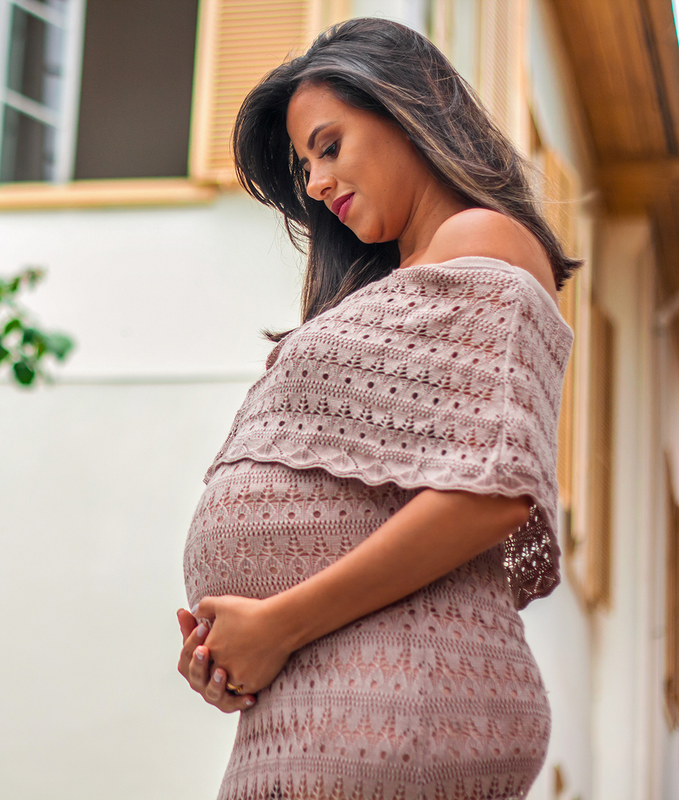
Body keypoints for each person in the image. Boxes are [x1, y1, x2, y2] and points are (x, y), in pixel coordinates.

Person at [176, 17, 579, 800]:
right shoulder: (402, 276)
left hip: (403, 688)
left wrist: (278, 624)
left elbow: (493, 489)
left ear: (409, 109)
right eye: (306, 166)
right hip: (337, 685)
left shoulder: (482, 238)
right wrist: (234, 653)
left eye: (330, 146)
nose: (316, 183)